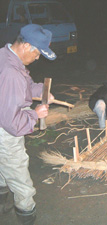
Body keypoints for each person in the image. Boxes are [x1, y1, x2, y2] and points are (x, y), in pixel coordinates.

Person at [0, 24, 56, 224]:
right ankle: (26, 213)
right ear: (26, 46)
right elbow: (12, 123)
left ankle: (3, 202)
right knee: (19, 177)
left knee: (3, 168)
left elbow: (25, 86)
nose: (37, 58)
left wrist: (42, 92)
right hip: (4, 130)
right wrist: (34, 114)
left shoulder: (6, 56)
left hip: (3, 120)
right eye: (37, 53)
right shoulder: (11, 72)